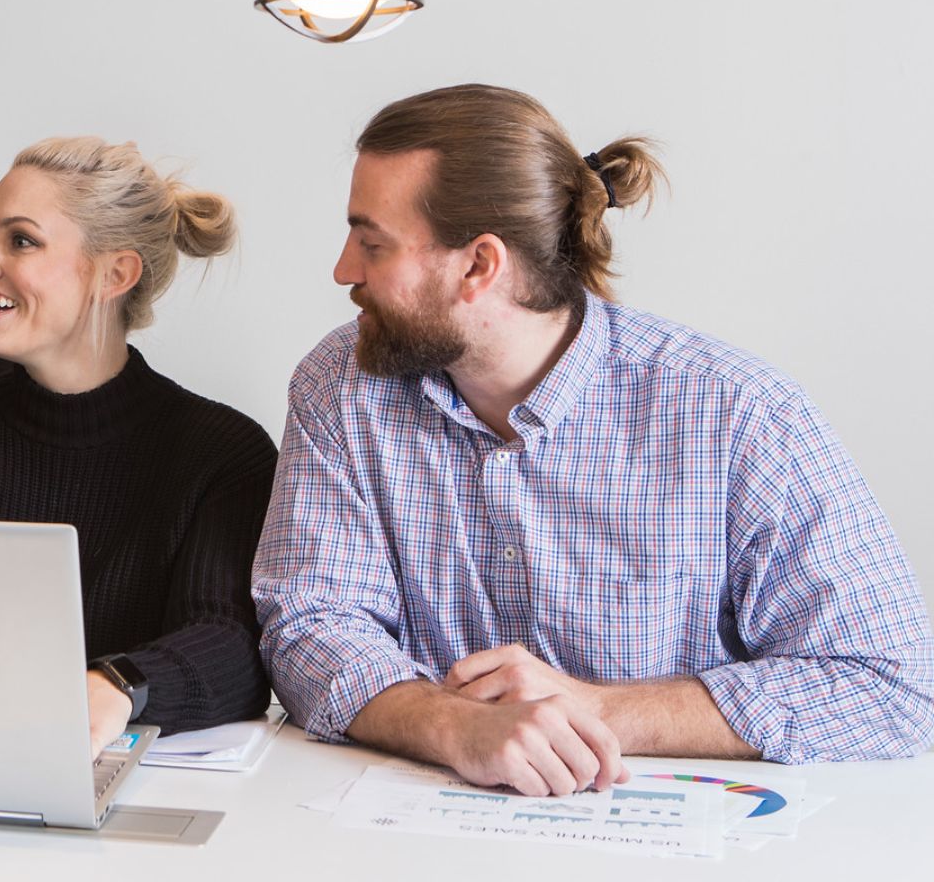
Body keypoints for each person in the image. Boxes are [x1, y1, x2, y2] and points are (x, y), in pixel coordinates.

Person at [253, 84, 934, 796]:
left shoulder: (737, 414)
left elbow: (888, 685)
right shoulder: (340, 386)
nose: (344, 271)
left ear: (480, 265)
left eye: (372, 243)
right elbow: (310, 624)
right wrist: (454, 727)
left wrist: (600, 710)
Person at [0, 137, 276, 753]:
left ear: (116, 273)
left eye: (21, 241)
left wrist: (116, 686)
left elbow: (230, 646)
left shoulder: (222, 452)